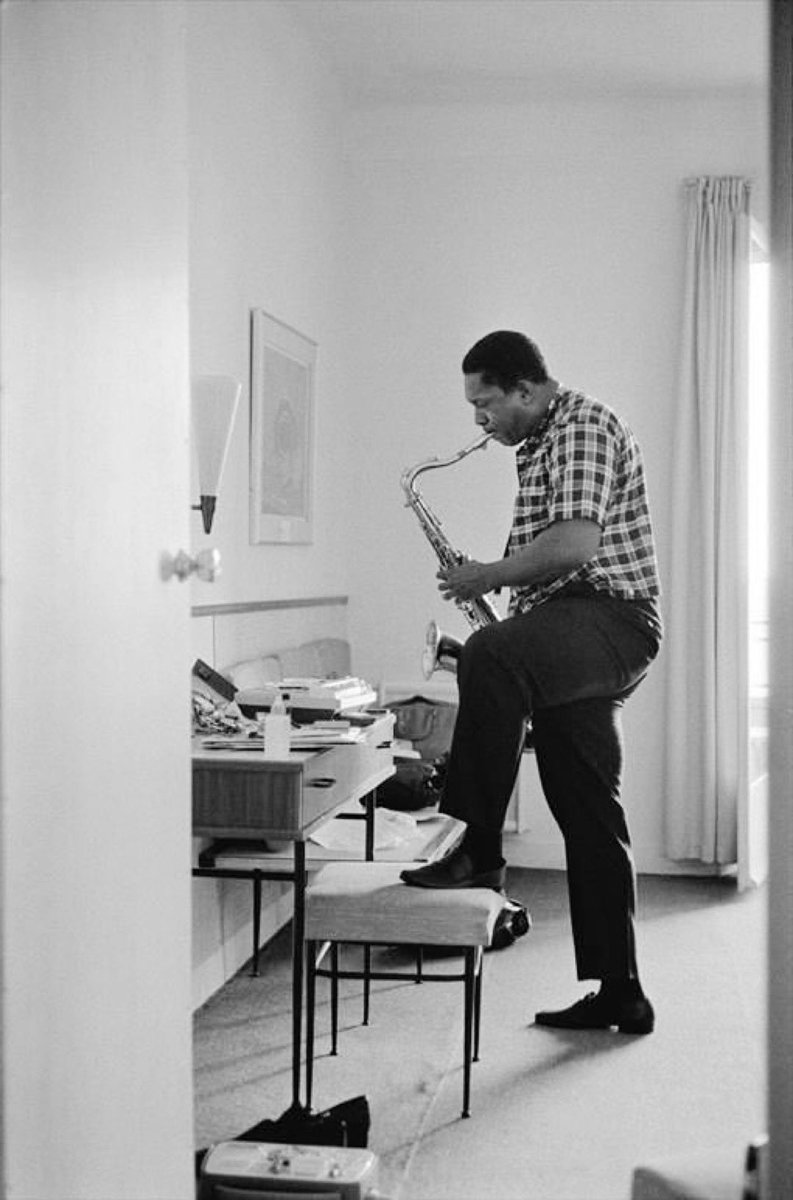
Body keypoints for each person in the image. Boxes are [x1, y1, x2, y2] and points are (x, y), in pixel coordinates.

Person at [400, 330, 662, 1035]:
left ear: (525, 388)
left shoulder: (580, 424)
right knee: (586, 811)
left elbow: (575, 546)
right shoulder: (540, 443)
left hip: (612, 620)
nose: (478, 422)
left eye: (485, 403)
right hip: (572, 630)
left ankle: (478, 851)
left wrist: (483, 577)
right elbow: (550, 568)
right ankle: (621, 991)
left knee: (487, 654)